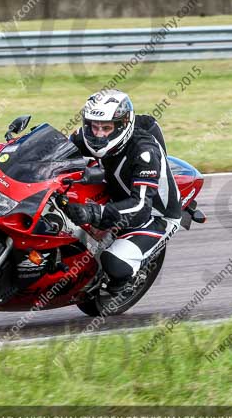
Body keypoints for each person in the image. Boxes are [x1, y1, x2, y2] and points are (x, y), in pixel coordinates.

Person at [64, 89, 181, 295]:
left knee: (114, 264)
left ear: (122, 126)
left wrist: (94, 213)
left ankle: (127, 280)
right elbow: (61, 148)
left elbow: (141, 207)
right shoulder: (88, 136)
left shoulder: (144, 152)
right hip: (115, 193)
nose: (99, 134)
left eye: (107, 128)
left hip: (155, 215)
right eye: (94, 126)